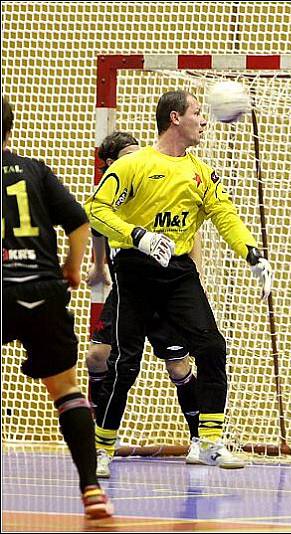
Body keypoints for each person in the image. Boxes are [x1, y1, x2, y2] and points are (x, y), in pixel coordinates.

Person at [84, 90, 273, 470]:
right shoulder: (133, 165)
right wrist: (138, 235)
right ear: (174, 118)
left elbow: (224, 215)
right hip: (136, 271)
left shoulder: (201, 172)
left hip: (178, 273)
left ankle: (210, 441)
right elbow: (94, 210)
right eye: (197, 113)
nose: (204, 120)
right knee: (126, 363)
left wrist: (251, 252)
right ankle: (102, 449)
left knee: (212, 347)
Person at [1, 96, 112, 518]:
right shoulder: (34, 169)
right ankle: (91, 491)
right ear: (10, 130)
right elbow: (80, 221)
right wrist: (70, 268)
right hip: (43, 291)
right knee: (66, 391)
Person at [85, 131, 205, 477]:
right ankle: (101, 440)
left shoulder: (156, 182)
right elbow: (97, 227)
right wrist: (97, 266)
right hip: (129, 285)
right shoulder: (111, 196)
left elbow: (191, 230)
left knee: (178, 366)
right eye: (128, 155)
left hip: (167, 286)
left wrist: (192, 279)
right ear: (110, 164)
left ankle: (199, 438)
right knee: (101, 358)